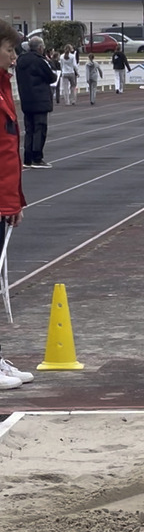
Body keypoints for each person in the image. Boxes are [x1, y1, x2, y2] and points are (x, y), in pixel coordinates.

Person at [0, 20, 35, 389]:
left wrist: (15, 201)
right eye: (9, 50)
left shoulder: (4, 87)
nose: (14, 57)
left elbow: (9, 153)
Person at [14, 36, 56, 169]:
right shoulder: (40, 61)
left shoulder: (21, 60)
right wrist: (49, 61)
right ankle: (37, 158)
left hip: (26, 99)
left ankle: (27, 158)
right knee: (40, 128)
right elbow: (52, 77)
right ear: (40, 48)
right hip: (40, 99)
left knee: (29, 130)